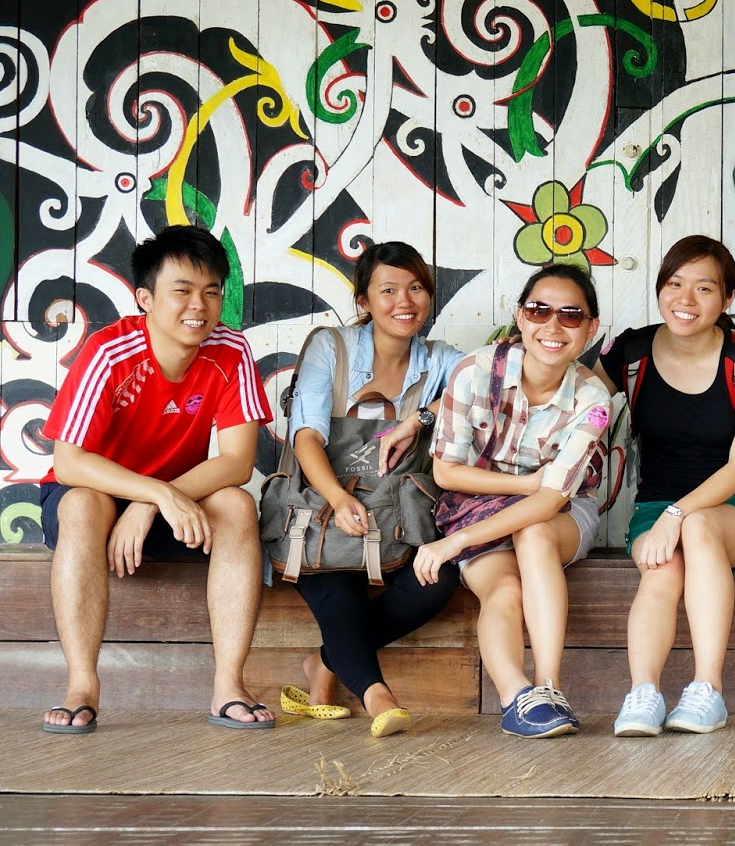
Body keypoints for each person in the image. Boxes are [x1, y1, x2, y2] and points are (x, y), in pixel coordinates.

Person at [38, 226, 275, 733]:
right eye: (182, 291)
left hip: (173, 504)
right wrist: (152, 493)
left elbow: (237, 462)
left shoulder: (231, 350)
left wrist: (154, 503)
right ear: (145, 298)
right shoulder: (110, 351)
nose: (199, 306)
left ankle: (229, 686)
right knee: (83, 502)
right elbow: (69, 462)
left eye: (211, 291)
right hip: (96, 499)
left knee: (236, 504)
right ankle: (82, 685)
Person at [589, 236, 735, 737]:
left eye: (704, 288)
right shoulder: (631, 352)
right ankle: (643, 693)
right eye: (674, 284)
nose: (686, 300)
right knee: (662, 570)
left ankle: (707, 690)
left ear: (728, 298)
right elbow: (576, 407)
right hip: (655, 508)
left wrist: (677, 515)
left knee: (697, 529)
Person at [412, 264, 611, 738]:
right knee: (503, 590)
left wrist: (453, 543)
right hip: (474, 504)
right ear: (520, 317)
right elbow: (446, 472)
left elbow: (549, 502)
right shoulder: (474, 372)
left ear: (590, 329)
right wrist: (525, 485)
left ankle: (550, 688)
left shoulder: (593, 400)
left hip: (560, 513)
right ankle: (518, 699)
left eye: (570, 315)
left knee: (535, 532)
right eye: (539, 311)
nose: (553, 326)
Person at [279, 242, 466, 737]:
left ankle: (324, 663)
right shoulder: (331, 347)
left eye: (416, 288)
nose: (405, 301)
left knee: (437, 580)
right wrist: (339, 498)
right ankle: (377, 696)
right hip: (320, 509)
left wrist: (420, 417)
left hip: (396, 517)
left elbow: (492, 382)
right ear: (363, 300)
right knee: (339, 586)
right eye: (388, 290)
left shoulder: (440, 360)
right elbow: (306, 436)